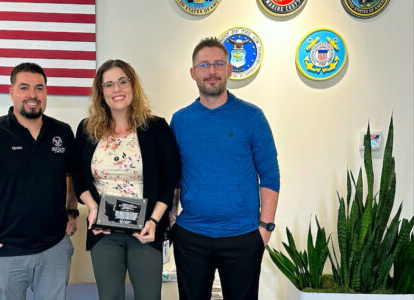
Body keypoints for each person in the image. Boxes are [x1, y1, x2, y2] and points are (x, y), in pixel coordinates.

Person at [169, 37, 280, 300]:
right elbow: (173, 176)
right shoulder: (180, 120)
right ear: (193, 73)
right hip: (191, 236)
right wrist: (172, 219)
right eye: (204, 65)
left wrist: (265, 228)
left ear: (229, 69)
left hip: (243, 236)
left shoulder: (252, 116)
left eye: (219, 63)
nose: (212, 71)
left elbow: (270, 174)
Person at [0, 62, 79, 300]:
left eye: (40, 88)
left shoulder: (62, 132)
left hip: (54, 248)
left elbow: (70, 175)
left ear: (46, 93)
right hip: (7, 251)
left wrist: (72, 211)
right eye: (24, 88)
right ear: (11, 91)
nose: (32, 95)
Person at [74, 59, 180, 300]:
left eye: (123, 82)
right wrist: (91, 207)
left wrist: (154, 220)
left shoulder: (156, 127)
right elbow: (79, 176)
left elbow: (169, 180)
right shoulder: (87, 129)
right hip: (104, 232)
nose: (117, 90)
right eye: (108, 84)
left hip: (145, 230)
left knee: (148, 296)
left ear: (133, 85)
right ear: (101, 92)